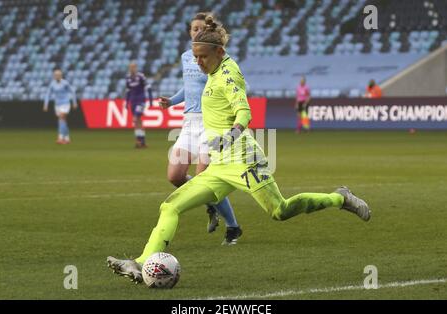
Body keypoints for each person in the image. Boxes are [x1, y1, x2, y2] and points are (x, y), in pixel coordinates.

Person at [107, 16, 371, 283]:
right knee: (170, 206)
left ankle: (340, 198)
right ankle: (140, 263)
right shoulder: (211, 68)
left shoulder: (229, 74)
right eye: (195, 56)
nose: (198, 62)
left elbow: (244, 111)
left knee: (280, 210)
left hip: (243, 158)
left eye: (202, 57)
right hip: (220, 164)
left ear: (219, 52)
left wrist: (230, 136)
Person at [158, 12, 242, 245]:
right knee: (174, 176)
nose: (197, 32)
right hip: (189, 123)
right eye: (194, 29)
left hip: (211, 122)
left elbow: (227, 87)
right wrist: (172, 101)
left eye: (201, 29)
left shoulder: (219, 58)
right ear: (189, 32)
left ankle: (233, 227)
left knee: (204, 177)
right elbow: (189, 88)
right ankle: (209, 203)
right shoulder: (188, 57)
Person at [43, 69, 77, 144]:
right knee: (63, 121)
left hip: (65, 103)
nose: (57, 76)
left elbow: (72, 91)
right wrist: (46, 104)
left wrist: (74, 102)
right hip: (57, 104)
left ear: (61, 75)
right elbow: (48, 94)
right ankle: (67, 138)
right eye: (55, 75)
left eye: (58, 75)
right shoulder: (52, 84)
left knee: (61, 118)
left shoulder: (65, 83)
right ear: (54, 76)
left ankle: (60, 138)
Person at [124, 62, 152, 148]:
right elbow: (128, 91)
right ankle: (142, 141)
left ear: (136, 68)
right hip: (133, 101)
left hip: (140, 100)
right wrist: (126, 102)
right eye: (130, 67)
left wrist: (150, 100)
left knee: (135, 119)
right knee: (138, 121)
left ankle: (138, 141)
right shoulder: (128, 78)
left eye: (133, 67)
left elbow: (148, 88)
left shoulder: (141, 76)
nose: (132, 69)